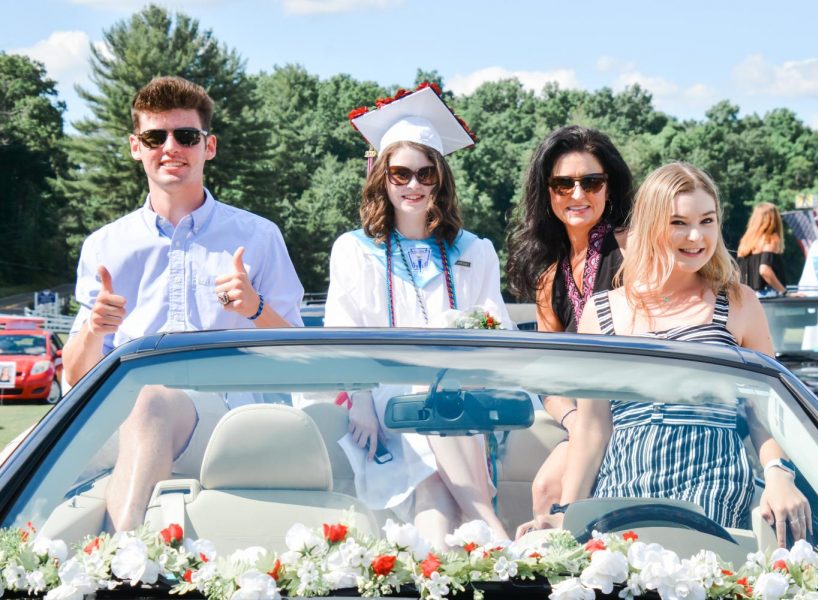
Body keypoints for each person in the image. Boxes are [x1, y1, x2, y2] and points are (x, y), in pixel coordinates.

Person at [519, 163, 810, 548]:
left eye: (707, 221)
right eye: (678, 223)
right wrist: (566, 514)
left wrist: (777, 474)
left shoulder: (740, 302)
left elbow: (765, 413)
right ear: (652, 225)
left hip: (713, 490)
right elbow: (592, 428)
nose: (696, 236)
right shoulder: (602, 310)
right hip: (622, 490)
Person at [62, 76, 304, 531]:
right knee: (17, 460)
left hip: (228, 428)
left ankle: (125, 559)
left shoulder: (258, 236)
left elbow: (299, 358)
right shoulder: (104, 246)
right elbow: (75, 376)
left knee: (151, 400)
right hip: (118, 422)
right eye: (156, 136)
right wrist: (95, 329)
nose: (170, 147)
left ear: (208, 146)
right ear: (137, 147)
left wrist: (255, 309)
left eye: (186, 136)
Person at [325, 83, 512, 546]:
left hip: (460, 409)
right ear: (381, 177)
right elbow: (343, 333)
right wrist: (362, 400)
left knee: (434, 487)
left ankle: (438, 567)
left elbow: (498, 331)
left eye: (426, 174)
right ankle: (491, 529)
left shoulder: (474, 252)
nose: (413, 185)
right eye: (401, 173)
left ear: (441, 179)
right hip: (386, 410)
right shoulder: (354, 250)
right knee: (430, 466)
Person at [505, 126, 633, 520]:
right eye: (563, 184)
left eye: (591, 182)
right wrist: (575, 422)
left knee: (553, 490)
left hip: (634, 415)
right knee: (544, 487)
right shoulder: (549, 276)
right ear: (547, 192)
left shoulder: (633, 251)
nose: (578, 195)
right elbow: (547, 377)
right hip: (585, 420)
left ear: (609, 188)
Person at [736, 202, 787, 296]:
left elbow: (737, 273)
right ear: (775, 219)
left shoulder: (745, 242)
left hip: (746, 296)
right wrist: (784, 291)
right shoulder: (770, 239)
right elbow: (764, 270)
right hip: (766, 294)